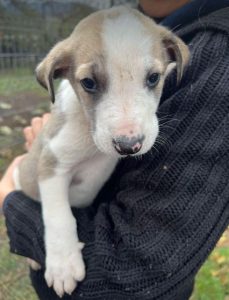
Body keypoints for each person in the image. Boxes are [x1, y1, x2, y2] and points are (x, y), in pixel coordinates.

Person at [1, 0, 229, 299]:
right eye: (91, 83)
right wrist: (47, 229)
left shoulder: (214, 51)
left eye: (151, 78)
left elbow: (134, 272)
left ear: (173, 59)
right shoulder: (131, 27)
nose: (129, 136)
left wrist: (9, 199)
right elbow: (50, 164)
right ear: (61, 72)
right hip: (44, 204)